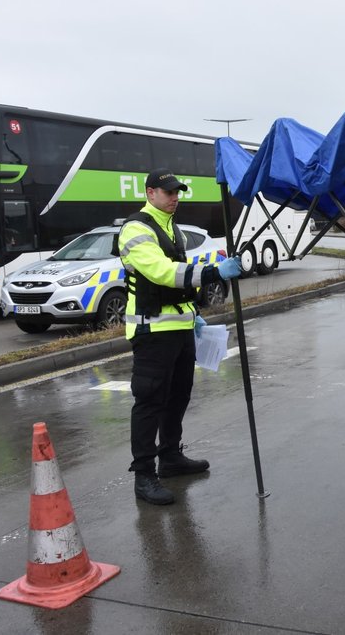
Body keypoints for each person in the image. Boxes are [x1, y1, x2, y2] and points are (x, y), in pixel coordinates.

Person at [118, 168, 242, 506]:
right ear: (150, 193)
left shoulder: (172, 229)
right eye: (168, 192)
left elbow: (177, 285)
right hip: (152, 331)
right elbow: (162, 272)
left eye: (177, 192)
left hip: (180, 328)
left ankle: (170, 457)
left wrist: (194, 314)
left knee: (178, 398)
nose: (175, 198)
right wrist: (214, 272)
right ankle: (144, 476)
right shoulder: (136, 229)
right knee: (149, 402)